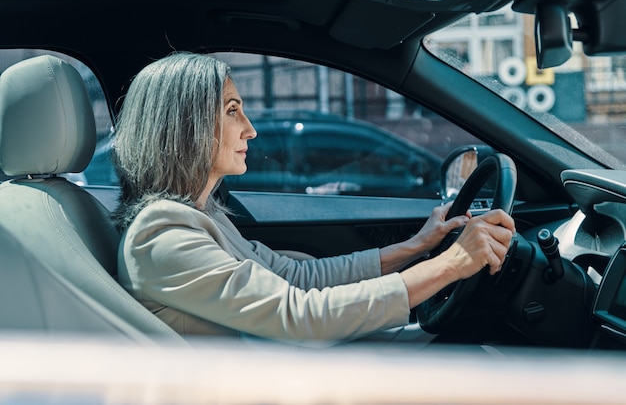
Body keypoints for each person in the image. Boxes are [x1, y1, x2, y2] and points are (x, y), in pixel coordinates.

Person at [114, 52, 515, 345]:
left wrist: (414, 248)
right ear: (187, 127)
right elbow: (300, 316)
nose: (250, 130)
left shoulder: (201, 216)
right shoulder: (163, 235)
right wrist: (451, 264)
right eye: (232, 110)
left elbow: (295, 279)